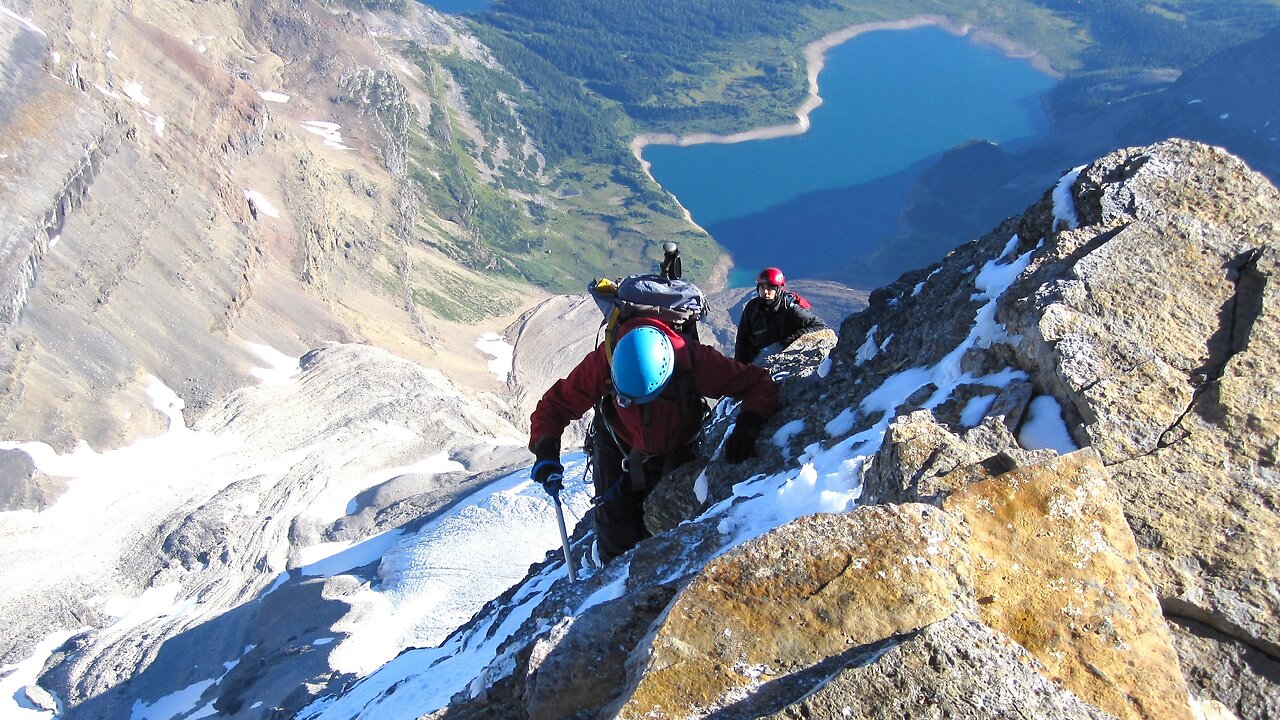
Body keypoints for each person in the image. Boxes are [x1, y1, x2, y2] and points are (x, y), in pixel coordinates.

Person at [529, 316, 780, 563]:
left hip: (675, 446)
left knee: (674, 531)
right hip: (618, 447)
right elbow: (554, 407)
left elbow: (758, 383)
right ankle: (613, 591)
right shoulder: (604, 363)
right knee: (614, 533)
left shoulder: (694, 360)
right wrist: (546, 451)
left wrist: (748, 425)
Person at [734, 267, 827, 365]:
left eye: (770, 288)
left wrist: (794, 337)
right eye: (762, 287)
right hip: (756, 359)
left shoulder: (790, 308)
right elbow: (742, 338)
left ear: (778, 289)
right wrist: (738, 367)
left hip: (781, 358)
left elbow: (820, 325)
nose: (765, 292)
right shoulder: (752, 307)